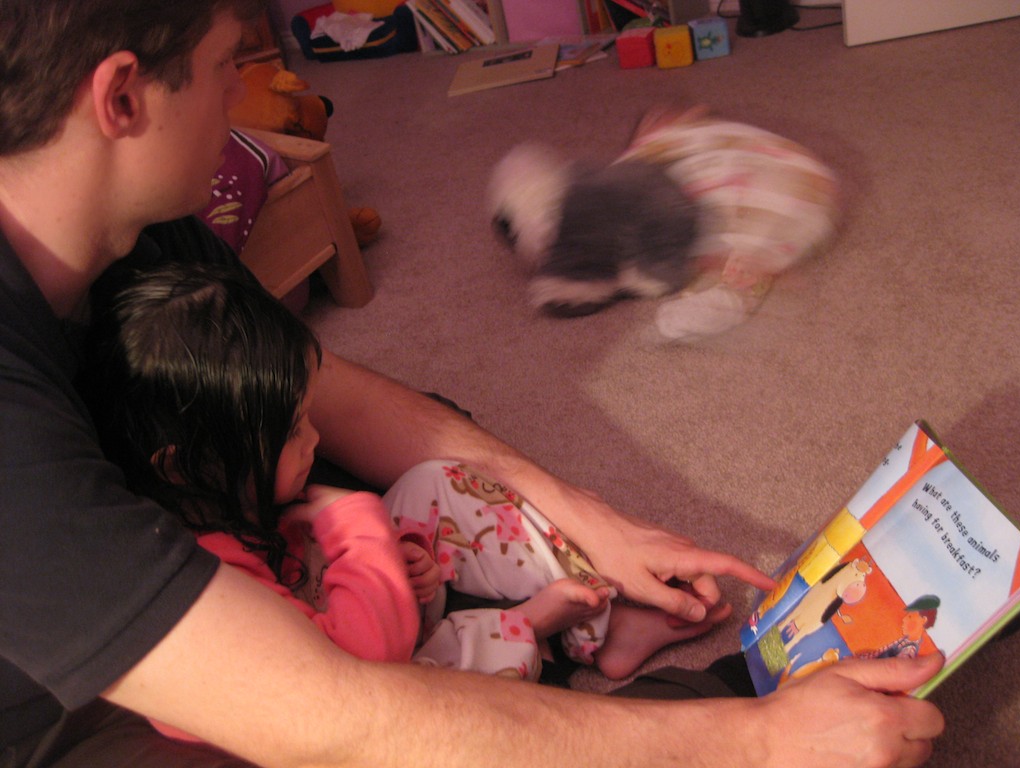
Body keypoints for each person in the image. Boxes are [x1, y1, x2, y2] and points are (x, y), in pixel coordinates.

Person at [0, 2, 945, 767]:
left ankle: (582, 655)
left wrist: (599, 527)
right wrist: (753, 745)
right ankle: (683, 706)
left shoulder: (149, 227)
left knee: (432, 451)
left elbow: (326, 389)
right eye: (222, 67)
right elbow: (321, 713)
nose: (241, 95)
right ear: (120, 97)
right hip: (75, 713)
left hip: (209, 513)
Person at [82, 262, 737, 698]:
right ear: (185, 465)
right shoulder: (207, 580)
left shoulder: (239, 490)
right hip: (364, 672)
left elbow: (327, 570)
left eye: (307, 418)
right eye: (290, 434)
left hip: (370, 604)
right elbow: (361, 664)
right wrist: (356, 522)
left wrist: (407, 564)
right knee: (462, 676)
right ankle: (536, 624)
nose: (315, 441)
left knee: (437, 482)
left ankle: (601, 622)